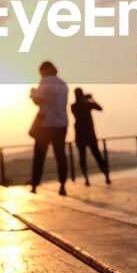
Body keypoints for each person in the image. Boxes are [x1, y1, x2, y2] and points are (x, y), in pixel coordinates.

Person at [29, 61, 69, 195]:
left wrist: (32, 93)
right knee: (60, 155)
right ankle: (62, 185)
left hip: (45, 124)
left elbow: (38, 100)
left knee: (39, 156)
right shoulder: (63, 84)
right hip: (62, 123)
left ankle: (35, 185)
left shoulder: (45, 81)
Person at [71, 87, 110, 186]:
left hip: (82, 135)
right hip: (88, 135)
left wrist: (89, 100)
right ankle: (105, 176)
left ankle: (88, 179)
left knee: (85, 157)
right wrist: (90, 99)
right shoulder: (82, 105)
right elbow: (99, 108)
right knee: (96, 156)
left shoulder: (75, 105)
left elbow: (100, 108)